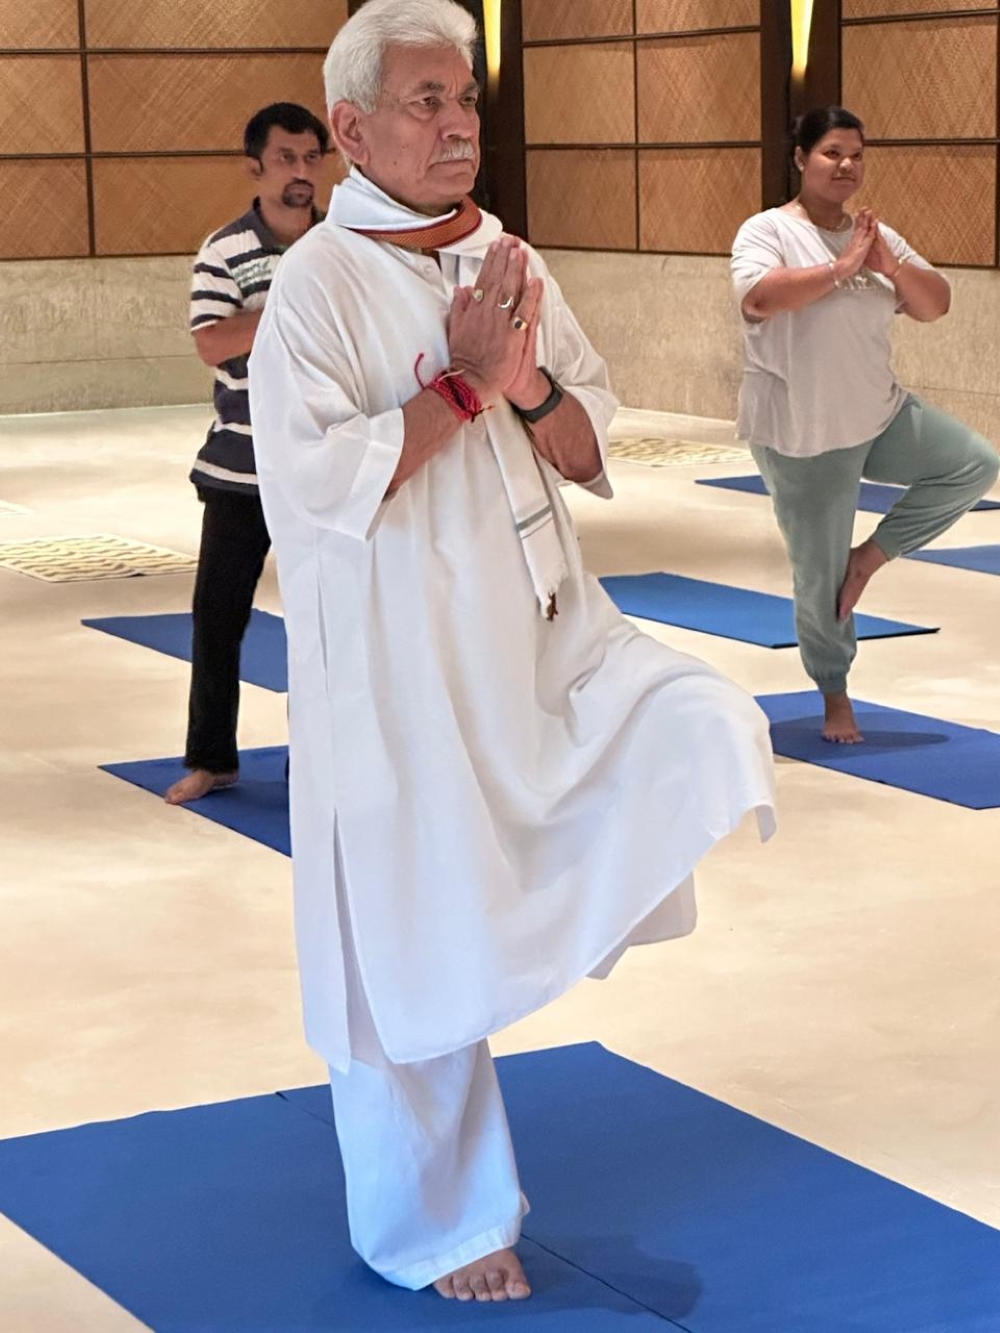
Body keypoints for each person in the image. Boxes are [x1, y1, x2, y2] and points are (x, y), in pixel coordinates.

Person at [249, 0, 776, 1305]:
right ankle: (436, 1221)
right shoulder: (315, 286)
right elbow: (313, 488)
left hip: (539, 634)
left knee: (698, 720)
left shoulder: (506, 257)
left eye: (467, 97)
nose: (458, 122)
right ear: (356, 127)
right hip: (397, 668)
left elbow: (588, 446)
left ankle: (543, 934)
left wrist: (526, 378)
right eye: (426, 101)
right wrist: (463, 382)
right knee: (409, 934)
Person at [732, 105, 999, 745]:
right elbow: (760, 299)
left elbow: (936, 305)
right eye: (831, 152)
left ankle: (868, 559)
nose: (845, 165)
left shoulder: (877, 235)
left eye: (855, 154)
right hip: (802, 430)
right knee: (817, 580)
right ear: (800, 159)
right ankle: (834, 694)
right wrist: (840, 269)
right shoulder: (765, 231)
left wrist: (887, 264)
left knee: (973, 464)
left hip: (878, 412)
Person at [164, 103, 329, 805]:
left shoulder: (347, 244)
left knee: (324, 624)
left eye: (311, 159)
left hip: (326, 464)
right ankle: (211, 758)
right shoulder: (225, 250)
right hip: (239, 466)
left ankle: (316, 766)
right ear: (255, 166)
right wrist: (292, 306)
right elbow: (213, 340)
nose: (300, 174)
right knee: (219, 616)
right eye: (286, 159)